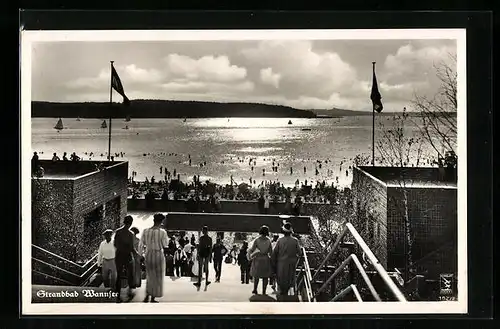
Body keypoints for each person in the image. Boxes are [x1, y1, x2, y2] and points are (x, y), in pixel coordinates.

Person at [138, 213, 169, 302]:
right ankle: (153, 296)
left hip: (148, 254)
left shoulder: (145, 231)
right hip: (158, 254)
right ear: (161, 222)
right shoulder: (162, 232)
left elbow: (141, 245)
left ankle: (147, 294)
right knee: (157, 276)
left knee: (150, 275)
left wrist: (141, 255)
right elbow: (165, 244)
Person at [271, 222, 301, 298]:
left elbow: (275, 252)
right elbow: (299, 253)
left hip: (281, 263)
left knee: (281, 279)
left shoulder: (280, 241)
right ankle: (286, 294)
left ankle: (282, 295)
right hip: (291, 263)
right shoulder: (295, 241)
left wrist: (273, 263)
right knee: (289, 279)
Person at [113, 215, 136, 303]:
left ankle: (118, 294)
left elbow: (115, 244)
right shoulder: (131, 234)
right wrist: (135, 254)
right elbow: (131, 247)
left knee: (119, 275)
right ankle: (129, 292)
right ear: (131, 223)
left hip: (119, 255)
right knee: (130, 273)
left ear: (124, 222)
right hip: (127, 255)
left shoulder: (118, 232)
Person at [248, 225, 272, 295]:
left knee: (256, 275)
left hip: (258, 259)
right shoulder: (268, 240)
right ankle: (264, 291)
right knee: (265, 276)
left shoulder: (257, 240)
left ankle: (255, 289)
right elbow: (271, 252)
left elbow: (252, 249)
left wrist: (250, 255)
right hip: (266, 259)